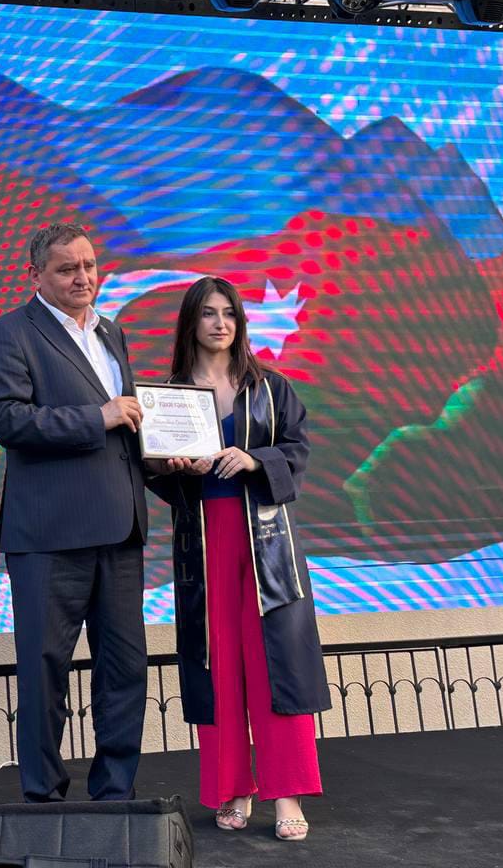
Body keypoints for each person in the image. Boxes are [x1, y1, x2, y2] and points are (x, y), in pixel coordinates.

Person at [147, 276, 330, 841]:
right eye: (208, 313)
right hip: (204, 543)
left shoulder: (271, 388)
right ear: (191, 322)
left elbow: (297, 449)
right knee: (218, 664)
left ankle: (287, 795)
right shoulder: (169, 395)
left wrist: (254, 461)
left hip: (267, 545)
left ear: (240, 322)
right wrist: (174, 467)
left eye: (228, 312)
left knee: (276, 664)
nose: (220, 323)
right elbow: (152, 469)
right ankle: (232, 789)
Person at [0, 222, 149, 804]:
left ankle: (115, 794)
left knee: (124, 669)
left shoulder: (112, 332)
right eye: (67, 269)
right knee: (45, 670)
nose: (83, 278)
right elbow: (9, 421)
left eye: (89, 266)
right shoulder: (7, 333)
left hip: (120, 529)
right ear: (36, 274)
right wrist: (98, 417)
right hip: (48, 535)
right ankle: (44, 798)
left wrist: (168, 455)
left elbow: (127, 426)